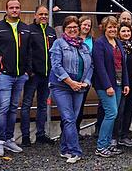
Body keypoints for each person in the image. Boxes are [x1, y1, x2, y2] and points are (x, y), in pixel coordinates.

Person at [0, 0, 32, 156]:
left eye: (17, 7)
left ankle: (9, 139)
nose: (14, 10)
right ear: (6, 10)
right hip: (3, 75)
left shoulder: (25, 28)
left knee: (13, 108)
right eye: (11, 7)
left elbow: (30, 51)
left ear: (20, 9)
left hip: (20, 76)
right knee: (3, 108)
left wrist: (27, 72)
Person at [49, 16, 92, 163]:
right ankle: (75, 151)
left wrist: (86, 82)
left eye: (75, 27)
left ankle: (64, 149)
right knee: (68, 118)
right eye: (69, 28)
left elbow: (90, 66)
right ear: (64, 29)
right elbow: (56, 66)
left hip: (79, 87)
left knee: (71, 118)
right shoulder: (58, 44)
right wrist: (70, 82)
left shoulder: (84, 46)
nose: (73, 30)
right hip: (61, 87)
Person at [92, 16, 130, 158]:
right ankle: (101, 146)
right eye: (110, 27)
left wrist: (126, 83)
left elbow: (123, 64)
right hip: (105, 85)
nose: (113, 29)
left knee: (114, 114)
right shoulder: (99, 43)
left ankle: (108, 144)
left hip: (119, 84)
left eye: (115, 27)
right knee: (111, 113)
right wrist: (107, 86)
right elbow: (100, 67)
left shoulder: (118, 43)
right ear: (104, 29)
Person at [21, 6, 57, 147]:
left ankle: (40, 134)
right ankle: (25, 136)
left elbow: (55, 52)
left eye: (46, 14)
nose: (43, 16)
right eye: (40, 14)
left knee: (43, 106)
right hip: (33, 75)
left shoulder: (51, 31)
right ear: (35, 15)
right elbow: (25, 51)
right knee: (26, 105)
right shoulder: (29, 30)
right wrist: (30, 70)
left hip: (47, 74)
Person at [117, 21, 132, 148]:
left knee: (129, 110)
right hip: (122, 82)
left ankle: (125, 134)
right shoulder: (117, 46)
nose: (126, 34)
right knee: (120, 110)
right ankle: (117, 135)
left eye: (128, 31)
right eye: (123, 31)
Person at [74, 16, 95, 132]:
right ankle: (67, 131)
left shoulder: (92, 40)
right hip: (74, 77)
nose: (86, 27)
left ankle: (76, 130)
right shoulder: (73, 38)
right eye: (84, 24)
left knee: (80, 105)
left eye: (89, 25)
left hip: (86, 78)